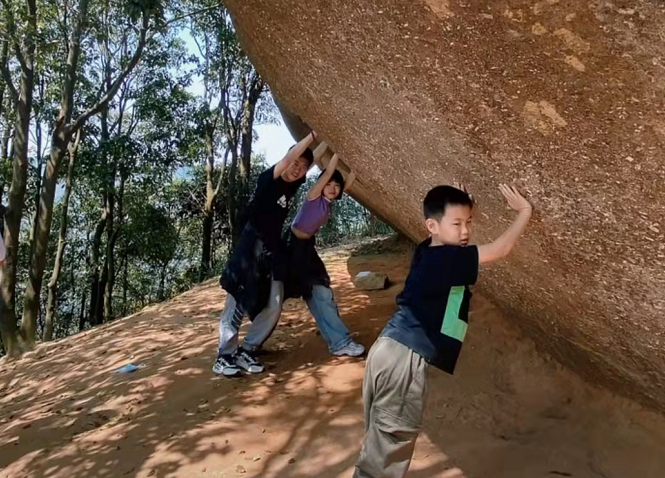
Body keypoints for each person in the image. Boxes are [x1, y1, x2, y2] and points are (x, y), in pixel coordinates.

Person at [353, 183, 533, 478]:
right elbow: (501, 249)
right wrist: (524, 211)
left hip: (387, 350)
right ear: (433, 225)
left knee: (378, 445)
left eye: (469, 222)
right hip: (403, 360)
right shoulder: (448, 260)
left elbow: (445, 230)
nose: (465, 232)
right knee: (385, 454)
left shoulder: (429, 249)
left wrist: (462, 203)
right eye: (457, 224)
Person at [213, 132, 315, 377]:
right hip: (250, 249)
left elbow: (311, 162)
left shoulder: (293, 186)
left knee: (274, 303)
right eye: (294, 164)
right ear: (286, 160)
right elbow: (293, 157)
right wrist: (312, 134)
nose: (297, 169)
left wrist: (321, 146)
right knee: (237, 301)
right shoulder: (269, 179)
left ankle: (247, 349)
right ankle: (224, 356)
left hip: (273, 253)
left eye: (302, 168)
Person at [284, 152, 364, 357]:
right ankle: (339, 342)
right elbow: (328, 172)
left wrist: (359, 162)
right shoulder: (313, 197)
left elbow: (348, 182)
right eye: (328, 184)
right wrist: (337, 150)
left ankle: (338, 341)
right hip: (293, 248)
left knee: (318, 294)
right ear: (321, 184)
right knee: (316, 293)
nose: (333, 188)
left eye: (336, 186)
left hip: (305, 248)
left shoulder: (329, 202)